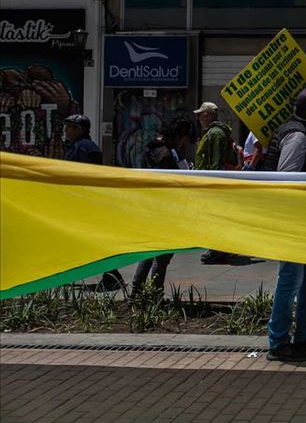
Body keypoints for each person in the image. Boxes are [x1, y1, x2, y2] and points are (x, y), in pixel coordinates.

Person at [259, 88, 306, 362]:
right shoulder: (297, 135)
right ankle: (278, 342)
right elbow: (288, 177)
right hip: (294, 221)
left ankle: (303, 336)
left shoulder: (303, 135)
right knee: (291, 279)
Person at [132, 115, 194, 295]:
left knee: (149, 253)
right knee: (162, 256)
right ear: (178, 135)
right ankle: (154, 293)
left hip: (151, 208)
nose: (184, 142)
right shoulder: (166, 155)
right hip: (164, 210)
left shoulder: (153, 148)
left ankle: (137, 292)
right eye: (183, 138)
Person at [62, 114, 124, 291]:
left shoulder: (82, 148)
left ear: (79, 130)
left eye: (69, 127)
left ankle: (112, 275)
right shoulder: (83, 146)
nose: (66, 130)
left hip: (82, 204)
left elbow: (79, 176)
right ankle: (111, 275)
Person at [195, 102, 240, 265]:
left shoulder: (215, 134)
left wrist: (211, 183)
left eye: (200, 114)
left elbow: (215, 161)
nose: (199, 117)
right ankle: (220, 248)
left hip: (212, 182)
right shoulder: (216, 132)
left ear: (207, 115)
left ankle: (218, 249)